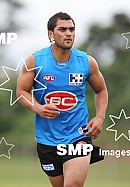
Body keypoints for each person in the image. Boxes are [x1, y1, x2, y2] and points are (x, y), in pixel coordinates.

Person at [16, 12, 108, 187]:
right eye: (63, 29)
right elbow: (21, 91)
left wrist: (100, 117)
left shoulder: (86, 62)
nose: (69, 33)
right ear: (51, 34)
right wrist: (37, 108)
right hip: (46, 139)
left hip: (78, 135)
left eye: (72, 29)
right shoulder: (36, 60)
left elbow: (101, 90)